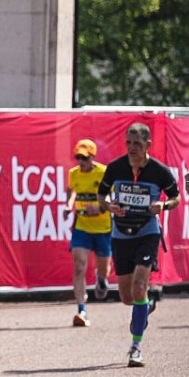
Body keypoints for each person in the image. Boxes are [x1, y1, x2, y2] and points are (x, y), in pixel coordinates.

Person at [97, 123, 180, 368]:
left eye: (137, 144)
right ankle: (146, 305)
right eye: (128, 143)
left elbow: (175, 197)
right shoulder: (115, 167)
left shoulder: (159, 171)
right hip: (121, 234)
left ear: (148, 145)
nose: (132, 148)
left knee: (139, 286)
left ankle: (136, 347)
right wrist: (109, 206)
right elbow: (102, 195)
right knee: (127, 297)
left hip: (147, 232)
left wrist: (163, 206)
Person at [62, 139, 112, 327]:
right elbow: (72, 190)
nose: (81, 162)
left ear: (92, 157)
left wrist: (100, 208)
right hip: (82, 226)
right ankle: (81, 309)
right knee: (79, 265)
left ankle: (102, 279)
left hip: (102, 228)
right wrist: (69, 205)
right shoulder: (73, 173)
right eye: (78, 157)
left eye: (84, 158)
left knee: (103, 268)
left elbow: (111, 197)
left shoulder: (103, 172)